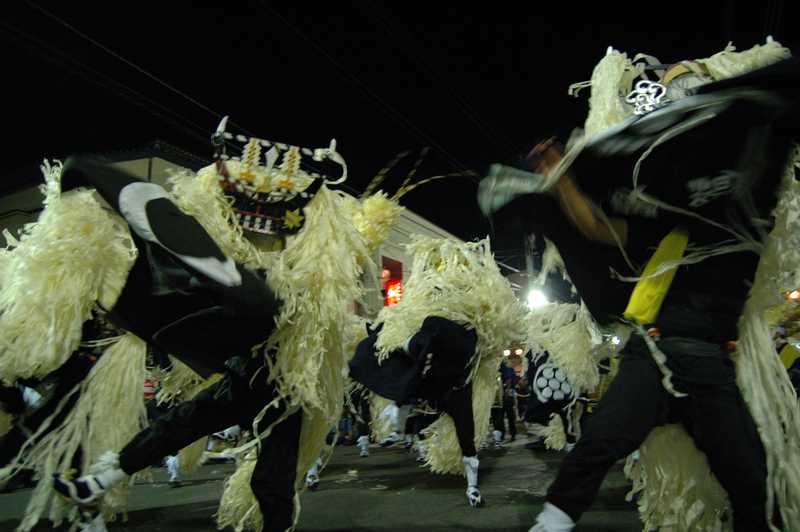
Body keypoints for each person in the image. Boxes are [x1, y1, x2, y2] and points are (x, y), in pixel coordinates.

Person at [481, 41, 800, 531]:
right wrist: (562, 177)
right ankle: (550, 524)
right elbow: (600, 229)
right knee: (596, 447)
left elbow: (759, 126)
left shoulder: (747, 202)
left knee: (750, 480)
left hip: (710, 367)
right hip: (654, 354)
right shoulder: (669, 217)